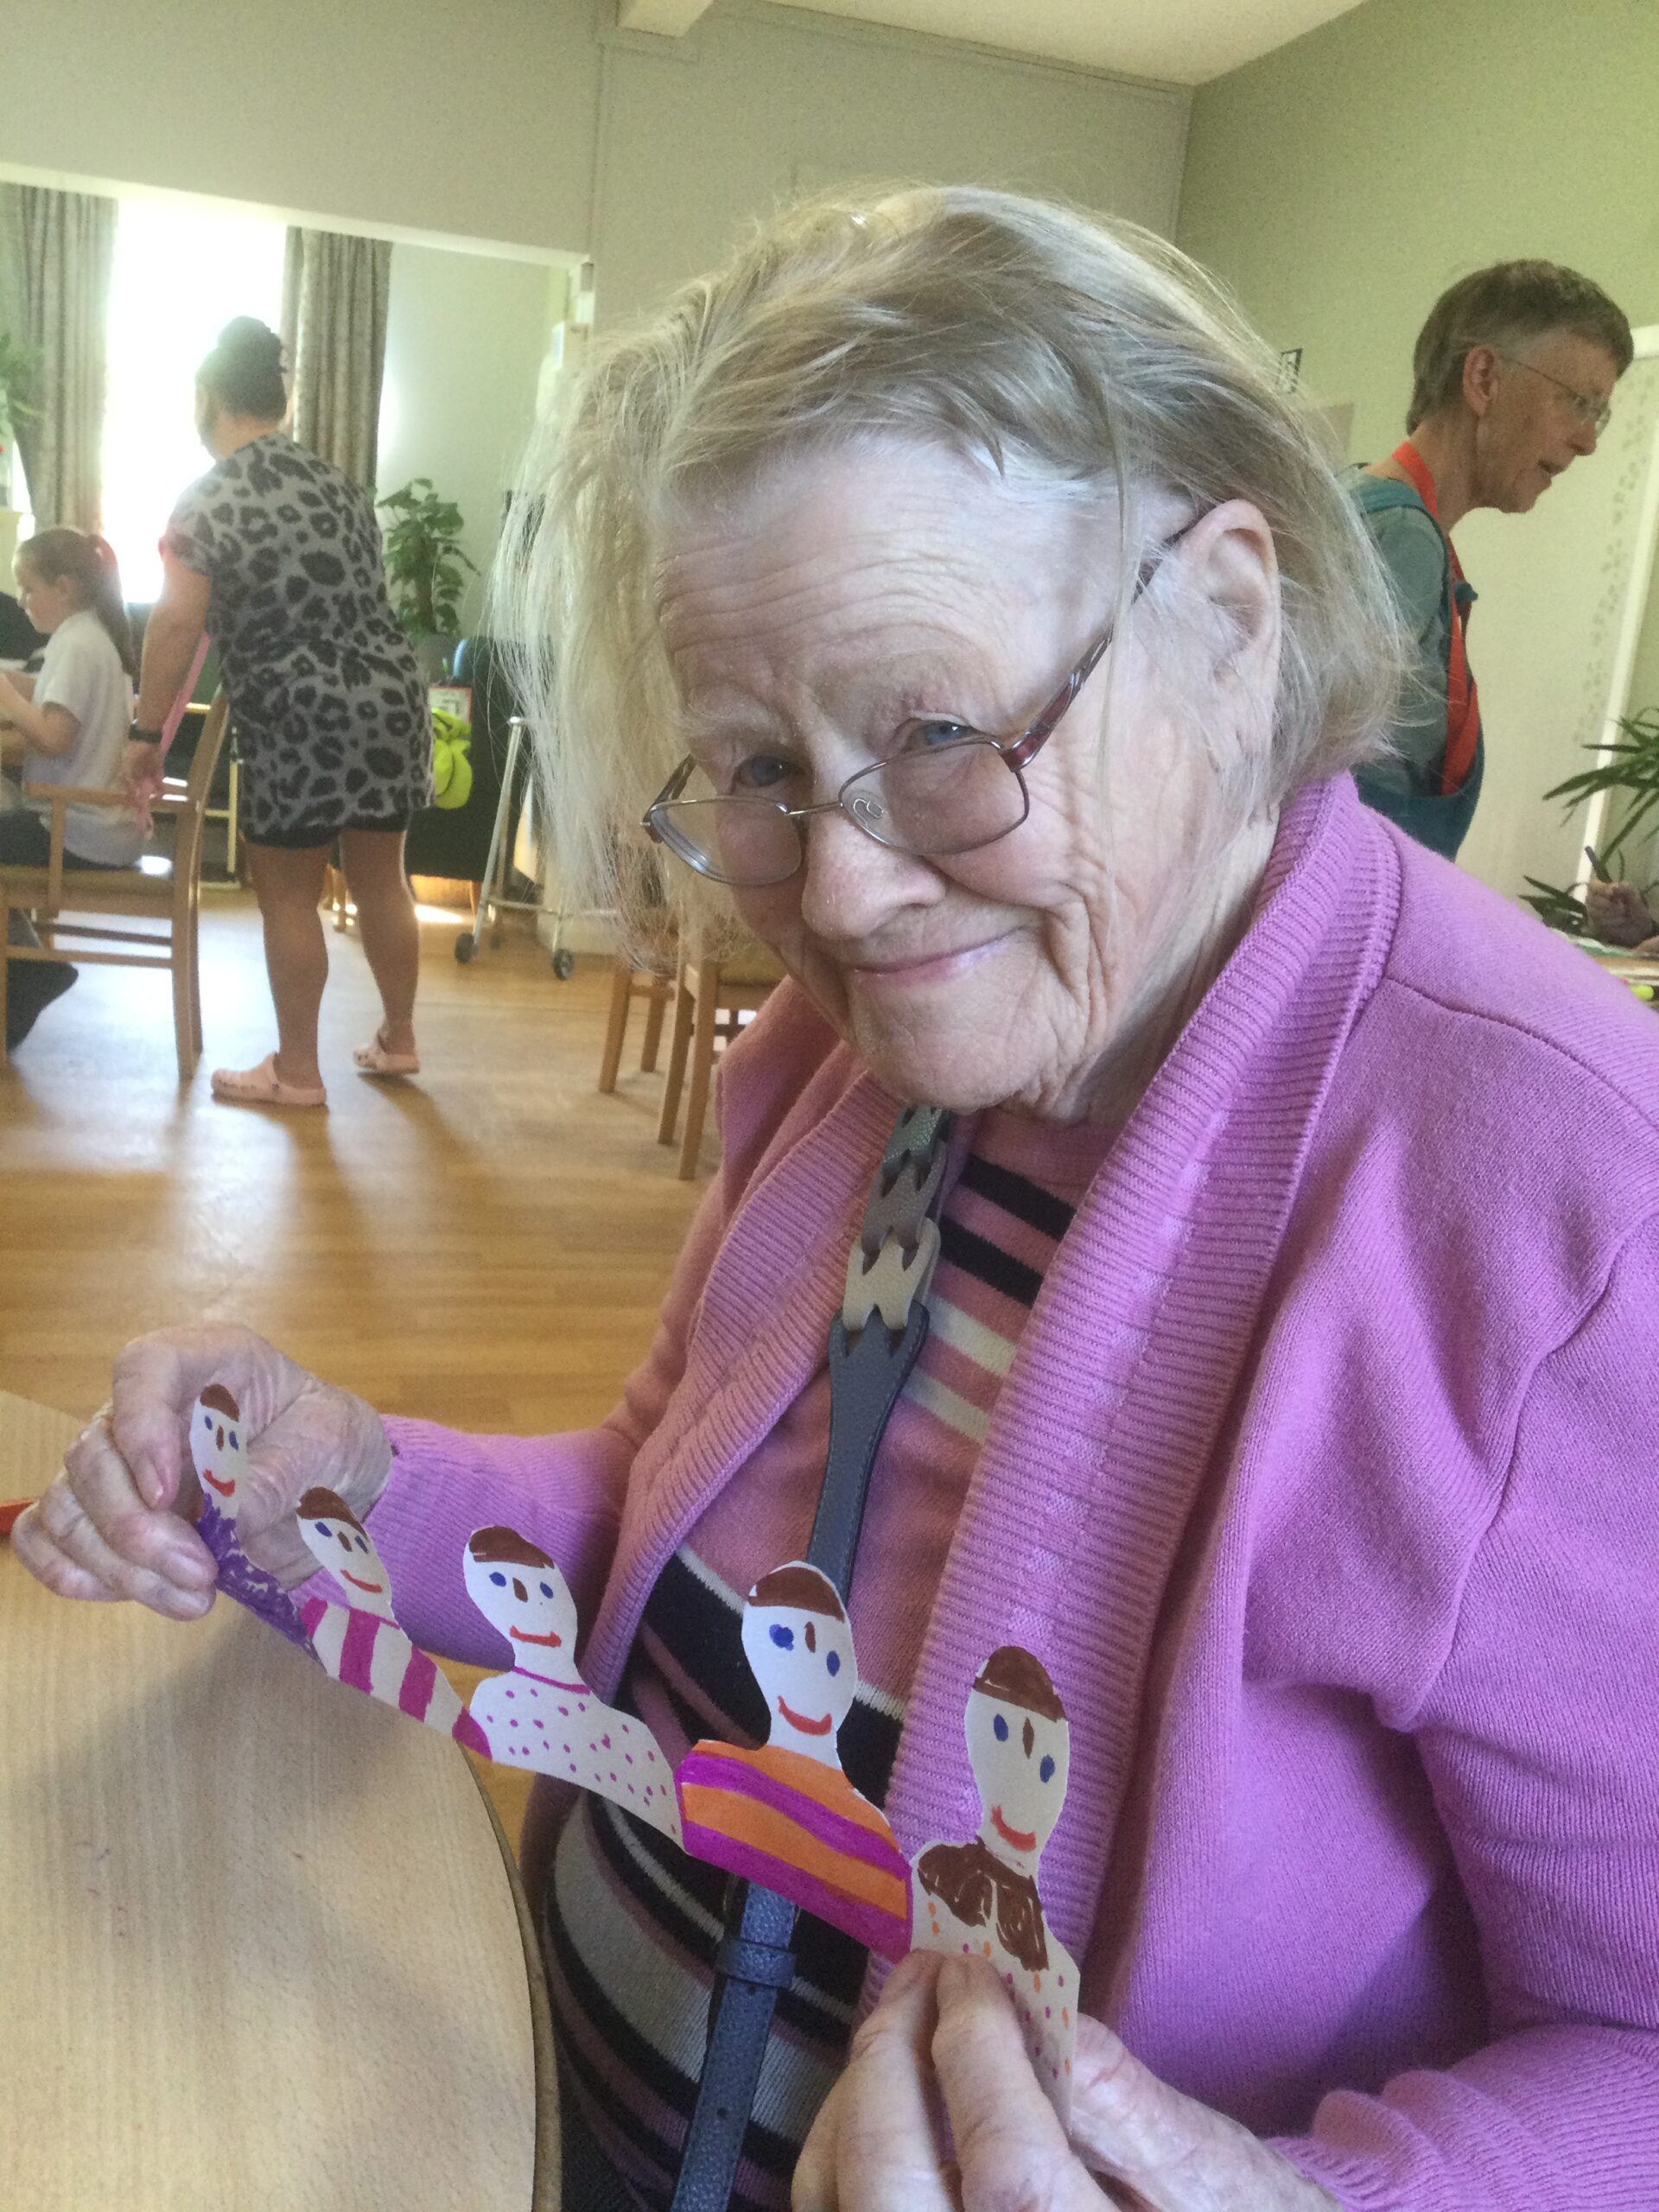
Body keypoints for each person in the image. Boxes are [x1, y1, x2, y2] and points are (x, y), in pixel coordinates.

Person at [16, 189, 1659, 2212]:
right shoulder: (850, 1055)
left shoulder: (1561, 1201)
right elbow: (655, 1515)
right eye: (753, 769)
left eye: (945, 737)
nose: (848, 886)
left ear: (1229, 615)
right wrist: (345, 1469)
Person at [125, 317, 434, 1108]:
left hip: (298, 713)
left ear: (208, 399)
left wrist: (144, 730)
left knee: (289, 895)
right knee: (382, 880)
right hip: (391, 698)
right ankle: (399, 1040)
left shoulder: (210, 500)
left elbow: (175, 623)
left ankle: (298, 1071)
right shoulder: (341, 486)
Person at [1348, 261, 1632, 860]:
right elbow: (1329, 822)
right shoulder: (1400, 538)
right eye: (1579, 402)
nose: (1589, 440)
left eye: (1598, 414)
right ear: (1484, 378)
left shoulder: (1372, 513)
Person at [0, 529, 141, 1050]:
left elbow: (55, 739)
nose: (20, 600)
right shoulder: (87, 635)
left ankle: (29, 972)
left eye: (26, 587)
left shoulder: (77, 644)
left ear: (63, 587)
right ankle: (29, 969)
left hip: (74, 831)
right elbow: (53, 695)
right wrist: (13, 685)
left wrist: (8, 702)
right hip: (92, 825)